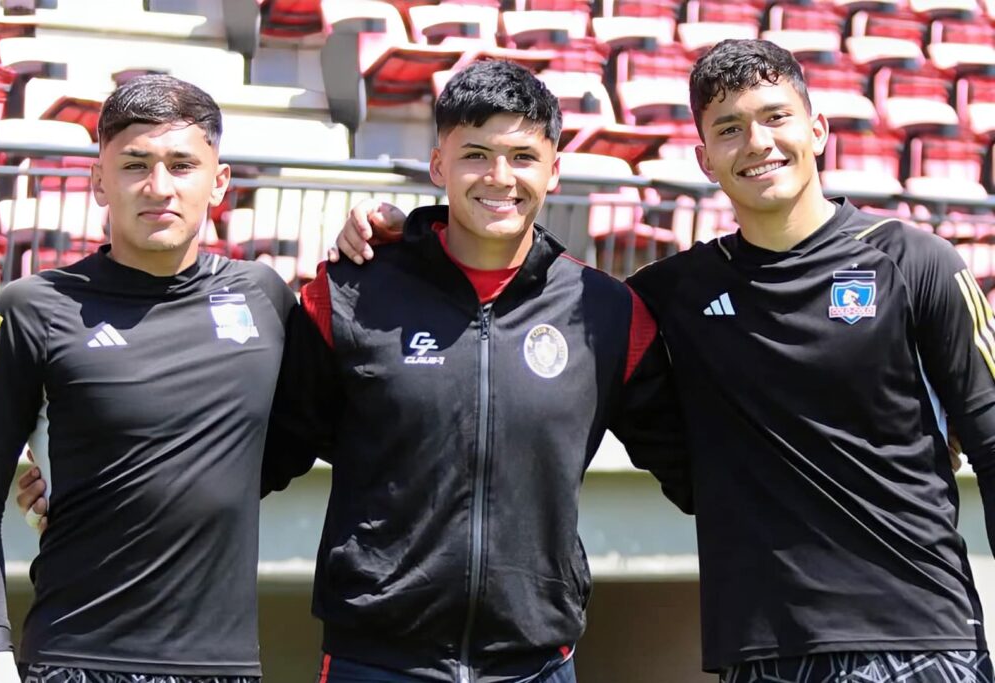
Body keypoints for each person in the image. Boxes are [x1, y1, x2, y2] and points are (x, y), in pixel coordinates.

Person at [330, 40, 995, 683]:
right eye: (730, 128)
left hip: (923, 634)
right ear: (705, 158)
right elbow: (528, 281)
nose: (757, 143)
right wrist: (412, 233)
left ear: (818, 128)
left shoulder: (916, 263)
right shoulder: (670, 294)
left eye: (775, 117)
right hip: (763, 647)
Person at [258, 59, 691, 683]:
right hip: (376, 660)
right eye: (476, 155)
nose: (499, 177)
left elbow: (697, 466)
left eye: (521, 156)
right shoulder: (349, 294)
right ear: (439, 167)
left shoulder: (608, 313)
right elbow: (261, 455)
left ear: (554, 171)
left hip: (535, 665)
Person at [0, 75, 297, 683]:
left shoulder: (264, 298)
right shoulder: (30, 309)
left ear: (219, 182)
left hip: (224, 669)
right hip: (74, 662)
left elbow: (305, 435)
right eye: (135, 164)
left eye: (182, 164)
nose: (159, 187)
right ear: (99, 179)